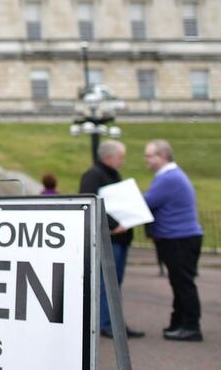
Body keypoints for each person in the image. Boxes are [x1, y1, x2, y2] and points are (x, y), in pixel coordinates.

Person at [79, 140, 143, 339]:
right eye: (120, 157)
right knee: (108, 284)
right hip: (110, 238)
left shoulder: (111, 175)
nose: (122, 162)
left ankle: (114, 322)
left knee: (115, 284)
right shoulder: (93, 175)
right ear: (108, 157)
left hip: (120, 238)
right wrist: (114, 224)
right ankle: (107, 323)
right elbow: (89, 201)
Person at [143, 139, 204, 342]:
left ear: (162, 157)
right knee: (180, 283)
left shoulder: (168, 178)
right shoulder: (169, 176)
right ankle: (179, 323)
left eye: (149, 156)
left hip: (179, 238)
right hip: (180, 237)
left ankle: (191, 326)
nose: (146, 160)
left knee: (183, 284)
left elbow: (146, 203)